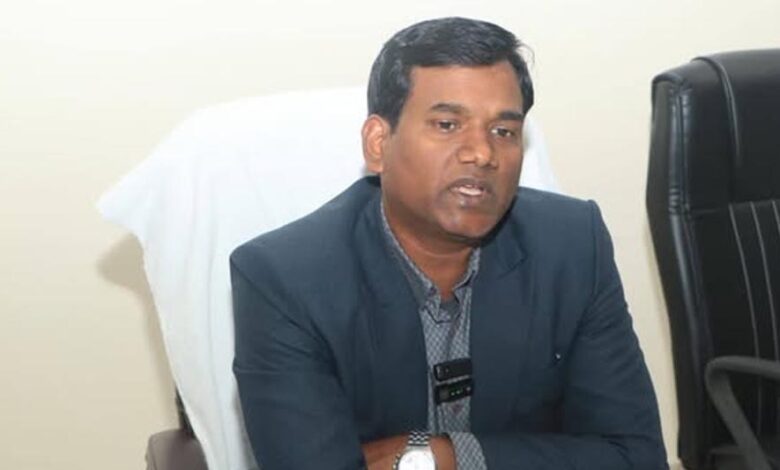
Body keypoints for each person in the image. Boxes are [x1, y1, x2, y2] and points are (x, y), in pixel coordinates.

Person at [230, 17, 667, 470]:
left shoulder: (572, 245)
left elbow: (636, 456)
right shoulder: (284, 280)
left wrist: (444, 456)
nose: (482, 152)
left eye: (503, 131)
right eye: (447, 124)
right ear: (378, 143)